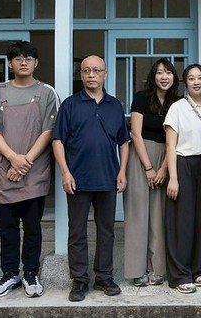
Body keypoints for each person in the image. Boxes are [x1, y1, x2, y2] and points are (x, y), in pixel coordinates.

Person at [0, 41, 59, 299]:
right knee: (7, 227)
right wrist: (13, 158)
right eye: (17, 58)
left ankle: (31, 273)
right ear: (10, 63)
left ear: (36, 63)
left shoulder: (47, 92)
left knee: (33, 227)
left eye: (28, 58)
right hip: (5, 168)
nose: (23, 62)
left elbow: (48, 131)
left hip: (34, 170)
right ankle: (9, 273)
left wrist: (25, 161)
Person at [52, 55, 130, 302]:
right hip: (78, 179)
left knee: (107, 231)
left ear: (105, 74)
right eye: (86, 70)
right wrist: (65, 172)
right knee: (77, 232)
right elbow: (57, 141)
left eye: (96, 70)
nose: (91, 74)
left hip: (108, 178)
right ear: (81, 74)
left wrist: (122, 171)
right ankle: (79, 280)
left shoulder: (114, 105)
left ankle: (104, 277)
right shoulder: (70, 104)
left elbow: (124, 142)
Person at [124, 58, 179, 287]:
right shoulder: (141, 97)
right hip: (140, 155)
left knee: (159, 214)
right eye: (159, 73)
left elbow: (175, 139)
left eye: (168, 72)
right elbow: (135, 134)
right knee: (137, 213)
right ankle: (137, 270)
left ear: (174, 76)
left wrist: (164, 168)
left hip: (167, 156)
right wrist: (148, 167)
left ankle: (157, 269)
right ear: (153, 76)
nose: (164, 77)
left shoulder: (178, 102)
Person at [163, 64, 201, 294]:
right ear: (185, 82)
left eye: (200, 78)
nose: (196, 82)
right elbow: (170, 145)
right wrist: (173, 178)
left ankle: (197, 270)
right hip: (183, 164)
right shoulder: (177, 108)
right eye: (191, 78)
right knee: (181, 220)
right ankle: (179, 275)